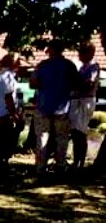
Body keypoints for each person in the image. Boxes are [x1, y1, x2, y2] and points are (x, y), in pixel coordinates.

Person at [29, 39, 80, 174]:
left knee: (42, 137)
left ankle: (40, 167)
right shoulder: (69, 65)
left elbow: (33, 83)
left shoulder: (42, 65)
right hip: (62, 107)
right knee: (62, 138)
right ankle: (60, 166)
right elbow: (77, 84)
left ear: (51, 50)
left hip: (43, 105)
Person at [0, 54, 22, 176]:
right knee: (5, 141)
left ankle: (0, 166)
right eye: (18, 61)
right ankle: (0, 167)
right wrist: (14, 114)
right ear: (11, 62)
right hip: (5, 114)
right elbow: (8, 97)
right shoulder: (7, 77)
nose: (20, 64)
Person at [69, 42, 100, 170]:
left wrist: (75, 82)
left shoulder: (93, 66)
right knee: (76, 133)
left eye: (82, 52)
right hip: (77, 100)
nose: (79, 54)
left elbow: (89, 84)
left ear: (89, 53)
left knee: (80, 133)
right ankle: (77, 161)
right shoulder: (82, 67)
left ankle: (79, 163)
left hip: (85, 100)